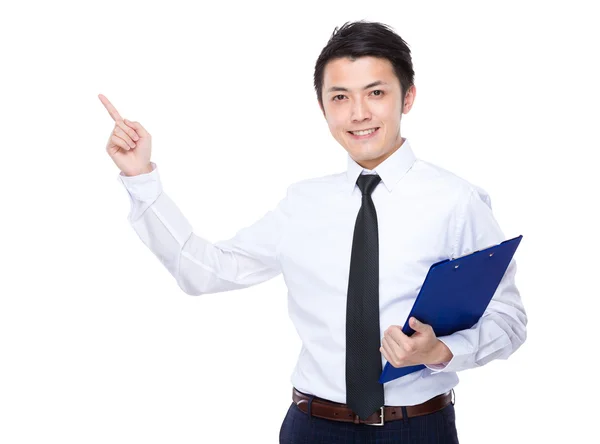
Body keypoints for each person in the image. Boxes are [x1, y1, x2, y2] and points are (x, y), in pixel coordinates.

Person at [99, 20, 527, 444]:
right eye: (340, 97)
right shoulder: (301, 204)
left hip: (417, 428)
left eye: (376, 93)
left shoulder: (456, 201)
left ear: (408, 97)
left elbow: (508, 322)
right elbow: (204, 271)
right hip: (312, 428)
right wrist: (142, 181)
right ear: (322, 106)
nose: (358, 113)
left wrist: (441, 352)